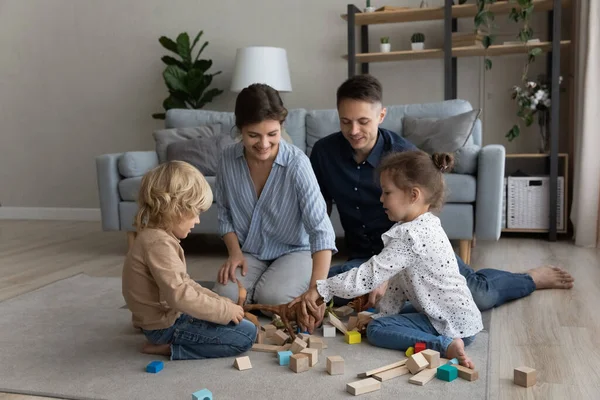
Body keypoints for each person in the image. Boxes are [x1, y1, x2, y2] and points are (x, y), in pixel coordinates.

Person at [309, 74, 574, 311]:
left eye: (363, 121)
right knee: (320, 292)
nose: (353, 131)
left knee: (477, 297)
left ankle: (529, 278)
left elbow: (420, 219)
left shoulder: (404, 155)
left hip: (413, 254)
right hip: (363, 259)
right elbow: (318, 214)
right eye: (346, 122)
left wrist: (386, 273)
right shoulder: (324, 152)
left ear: (381, 115)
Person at [303, 151, 482, 368]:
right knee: (378, 318)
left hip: (451, 325)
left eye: (387, 192)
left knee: (376, 330)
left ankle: (443, 345)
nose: (381, 198)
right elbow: (398, 282)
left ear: (413, 195)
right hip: (458, 318)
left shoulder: (410, 236)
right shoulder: (424, 225)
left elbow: (369, 275)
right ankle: (436, 336)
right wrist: (385, 314)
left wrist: (324, 289)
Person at [211, 83, 336, 325]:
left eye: (272, 134)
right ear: (240, 130)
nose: (264, 144)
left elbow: (321, 230)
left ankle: (270, 292)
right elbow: (224, 214)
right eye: (253, 136)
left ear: (281, 127)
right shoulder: (227, 159)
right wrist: (234, 253)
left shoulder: (298, 164)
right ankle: (259, 293)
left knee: (274, 298)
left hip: (295, 250)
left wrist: (316, 291)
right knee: (225, 299)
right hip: (250, 250)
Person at [122, 161, 256, 360]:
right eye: (196, 213)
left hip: (160, 318)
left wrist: (219, 302)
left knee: (228, 315)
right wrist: (224, 310)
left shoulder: (156, 237)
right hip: (164, 326)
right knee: (246, 334)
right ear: (175, 209)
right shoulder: (159, 244)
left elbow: (185, 283)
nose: (198, 221)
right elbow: (180, 296)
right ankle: (169, 348)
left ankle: (159, 334)